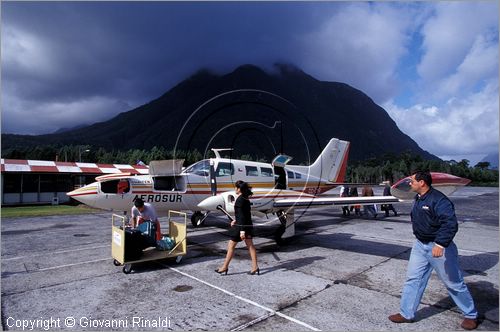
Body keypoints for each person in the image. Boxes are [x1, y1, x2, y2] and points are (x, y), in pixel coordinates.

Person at [388, 170, 478, 330]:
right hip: (420, 246)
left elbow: (450, 223)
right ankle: (406, 313)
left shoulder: (439, 200)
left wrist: (440, 244)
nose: (410, 183)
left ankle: (470, 315)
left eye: (412, 181)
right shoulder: (418, 197)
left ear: (422, 183)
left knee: (453, 283)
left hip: (439, 247)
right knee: (413, 280)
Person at [215, 180, 260, 275]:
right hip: (246, 225)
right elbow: (244, 214)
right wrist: (235, 220)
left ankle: (225, 267)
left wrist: (242, 230)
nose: (235, 189)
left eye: (236, 187)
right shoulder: (246, 198)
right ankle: (255, 267)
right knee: (250, 246)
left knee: (231, 246)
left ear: (240, 189)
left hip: (241, 227)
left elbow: (242, 216)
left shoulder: (240, 199)